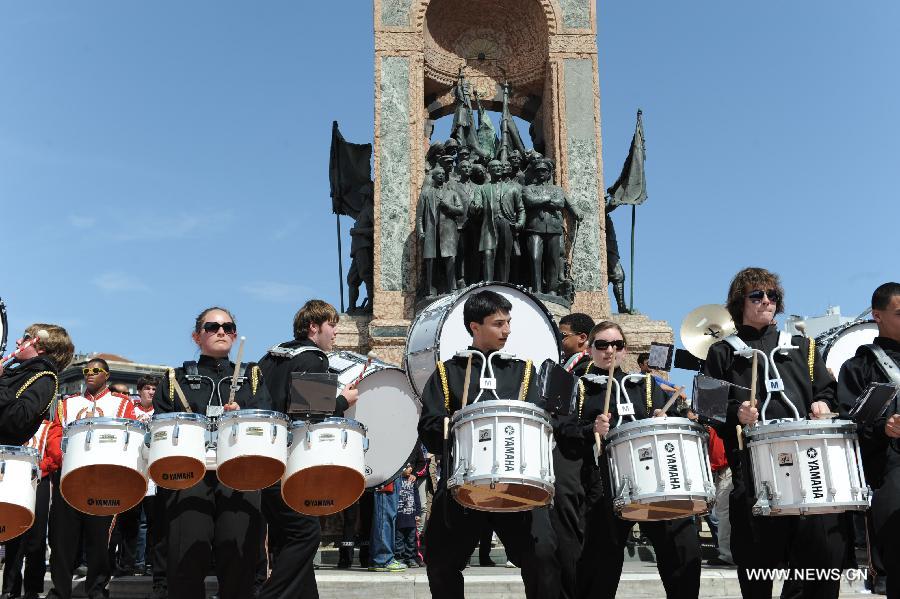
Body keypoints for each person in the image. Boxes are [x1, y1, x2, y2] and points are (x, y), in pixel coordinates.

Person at [703, 267, 847, 599]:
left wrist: (823, 404)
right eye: (757, 295)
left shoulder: (803, 347)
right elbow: (709, 408)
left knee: (817, 563)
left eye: (772, 296)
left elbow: (826, 391)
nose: (767, 301)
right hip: (751, 470)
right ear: (741, 302)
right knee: (756, 564)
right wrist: (736, 413)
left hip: (807, 467)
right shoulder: (722, 352)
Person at [417, 290, 560, 599]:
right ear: (474, 327)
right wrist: (451, 422)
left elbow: (537, 422)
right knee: (440, 560)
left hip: (518, 482)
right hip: (464, 483)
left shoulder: (523, 371)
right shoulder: (448, 372)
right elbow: (428, 427)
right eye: (498, 324)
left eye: (508, 322)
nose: (506, 330)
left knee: (543, 556)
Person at [152, 307, 272, 599]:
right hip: (189, 477)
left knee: (239, 559)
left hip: (239, 476)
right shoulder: (174, 379)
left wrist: (242, 415)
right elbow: (162, 427)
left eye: (228, 327)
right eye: (212, 326)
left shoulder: (252, 376)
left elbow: (267, 419)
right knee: (186, 558)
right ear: (197, 336)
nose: (222, 331)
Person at [575, 321, 701, 599]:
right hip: (603, 485)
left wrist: (662, 419)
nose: (610, 351)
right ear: (590, 348)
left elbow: (667, 424)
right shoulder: (580, 387)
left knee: (683, 547)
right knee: (599, 564)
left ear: (625, 350)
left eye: (617, 345)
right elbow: (562, 429)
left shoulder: (643, 385)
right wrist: (590, 429)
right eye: (603, 345)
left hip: (652, 481)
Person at [256, 299, 359, 598]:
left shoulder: (271, 356)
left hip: (265, 459)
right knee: (305, 533)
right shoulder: (314, 358)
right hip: (291, 460)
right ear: (314, 327)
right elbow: (312, 413)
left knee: (287, 538)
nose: (336, 332)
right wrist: (344, 400)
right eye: (332, 325)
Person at [46, 358, 137, 599]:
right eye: (86, 370)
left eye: (96, 370)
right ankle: (59, 592)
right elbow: (55, 433)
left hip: (104, 481)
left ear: (106, 375)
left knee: (100, 542)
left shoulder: (122, 404)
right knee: (62, 542)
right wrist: (61, 457)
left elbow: (131, 434)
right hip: (70, 479)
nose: (90, 374)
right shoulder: (68, 403)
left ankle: (97, 590)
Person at [836, 282, 900, 596]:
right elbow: (849, 423)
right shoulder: (859, 367)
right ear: (877, 315)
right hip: (886, 474)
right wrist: (883, 426)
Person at [1, 415, 61, 599]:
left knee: (37, 537)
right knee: (14, 535)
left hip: (39, 481)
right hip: (13, 480)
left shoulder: (49, 426)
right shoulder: (12, 423)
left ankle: (32, 588)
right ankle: (10, 587)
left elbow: (55, 457)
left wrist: (33, 468)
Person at [0, 323, 73, 445]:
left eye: (26, 338)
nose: (18, 341)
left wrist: (1, 381)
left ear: (41, 348)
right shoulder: (17, 373)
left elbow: (18, 420)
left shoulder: (45, 379)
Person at [522, 159, 581, 295]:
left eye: (544, 171)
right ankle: (537, 289)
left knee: (553, 261)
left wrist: (540, 202)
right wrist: (548, 200)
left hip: (554, 228)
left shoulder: (557, 189)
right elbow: (529, 201)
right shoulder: (528, 188)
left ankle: (552, 290)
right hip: (534, 228)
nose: (541, 173)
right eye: (538, 170)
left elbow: (560, 203)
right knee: (535, 257)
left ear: (549, 174)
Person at [471, 160, 525, 283]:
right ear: (488, 170)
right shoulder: (481, 188)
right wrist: (476, 207)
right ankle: (488, 284)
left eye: (500, 166)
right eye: (494, 166)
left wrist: (520, 223)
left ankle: (503, 284)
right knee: (488, 254)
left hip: (507, 224)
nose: (498, 168)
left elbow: (521, 209)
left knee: (504, 256)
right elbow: (476, 203)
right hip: (488, 224)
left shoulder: (512, 189)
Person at [417, 168, 464, 296]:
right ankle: (430, 290)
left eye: (443, 174)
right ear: (433, 177)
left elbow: (461, 210)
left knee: (450, 259)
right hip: (431, 230)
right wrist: (421, 232)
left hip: (448, 231)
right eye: (439, 174)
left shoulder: (452, 193)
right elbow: (420, 216)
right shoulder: (426, 194)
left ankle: (452, 288)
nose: (442, 176)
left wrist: (448, 207)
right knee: (430, 261)